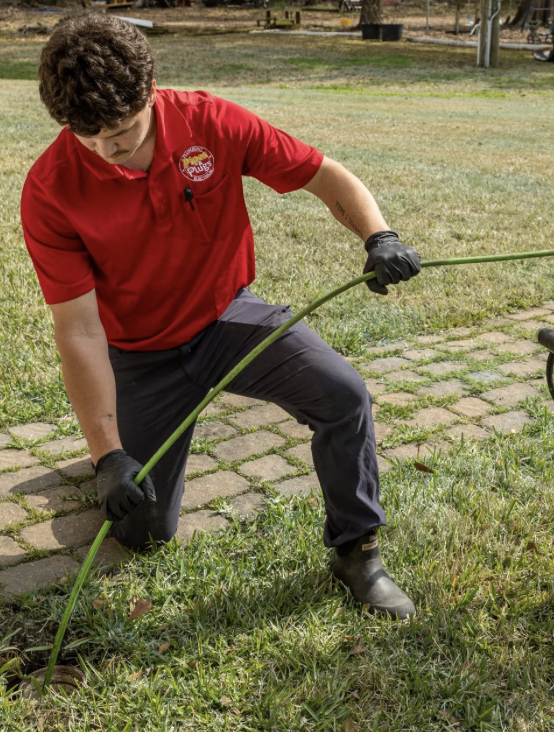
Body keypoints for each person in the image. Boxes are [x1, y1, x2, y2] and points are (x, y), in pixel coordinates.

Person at [21, 14, 420, 619]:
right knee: (143, 532)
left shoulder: (213, 123)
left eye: (123, 130)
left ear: (151, 91)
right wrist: (107, 455)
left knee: (344, 396)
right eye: (89, 136)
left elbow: (324, 176)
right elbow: (79, 329)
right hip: (138, 354)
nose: (109, 149)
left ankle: (356, 551)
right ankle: (110, 454)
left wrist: (379, 235)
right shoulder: (50, 189)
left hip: (226, 319)